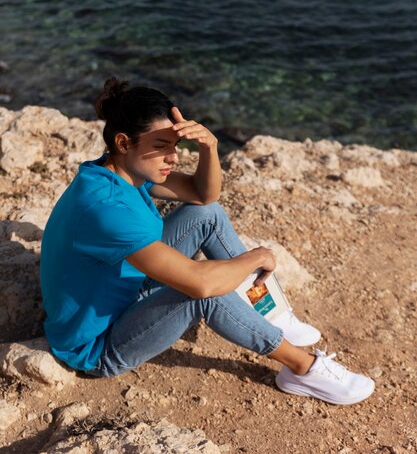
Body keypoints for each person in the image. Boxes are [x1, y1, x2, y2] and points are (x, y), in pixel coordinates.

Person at [40, 77, 375, 405]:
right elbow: (200, 286)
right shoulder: (106, 207)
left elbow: (204, 195)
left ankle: (269, 313)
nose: (172, 157)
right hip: (99, 344)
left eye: (175, 146)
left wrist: (209, 147)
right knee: (202, 295)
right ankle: (302, 369)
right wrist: (255, 257)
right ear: (124, 142)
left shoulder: (121, 171)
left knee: (207, 214)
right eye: (161, 146)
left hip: (126, 289)